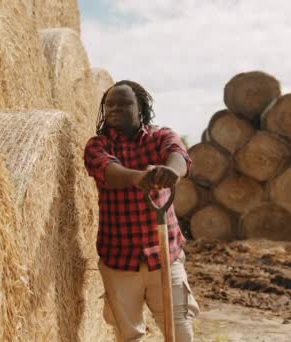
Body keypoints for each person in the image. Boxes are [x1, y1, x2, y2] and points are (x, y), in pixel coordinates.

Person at [83, 80, 200, 341]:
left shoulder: (160, 137)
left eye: (124, 103)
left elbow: (178, 154)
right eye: (110, 104)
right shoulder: (97, 146)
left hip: (165, 256)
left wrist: (172, 171)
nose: (115, 108)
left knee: (180, 330)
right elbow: (108, 171)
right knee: (130, 335)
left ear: (140, 108)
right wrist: (137, 178)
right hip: (119, 260)